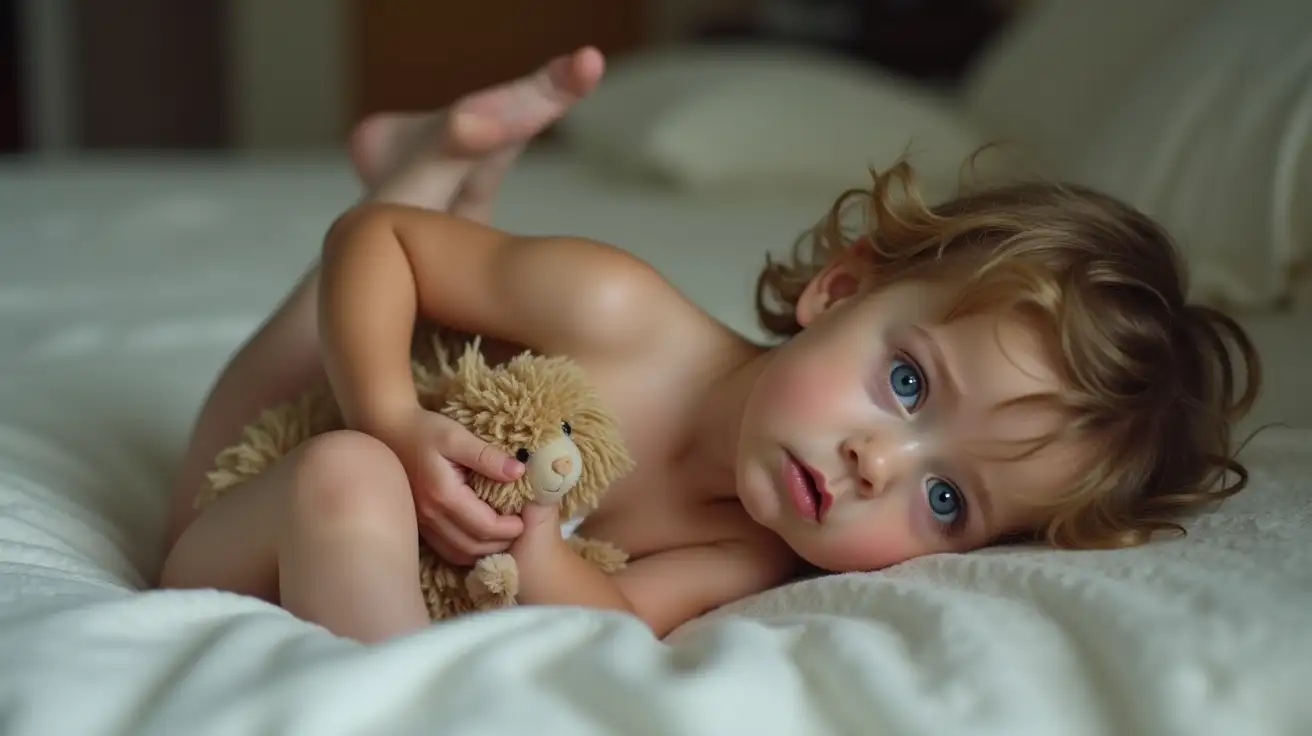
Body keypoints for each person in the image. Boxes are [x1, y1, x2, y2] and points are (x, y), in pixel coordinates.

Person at [158, 46, 1262, 644]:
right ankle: (432, 169)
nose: (881, 464)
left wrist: (541, 559)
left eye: (946, 502)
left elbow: (619, 617)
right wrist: (394, 421)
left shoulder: (754, 552)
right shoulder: (618, 311)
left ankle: (450, 177)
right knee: (351, 432)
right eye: (908, 381)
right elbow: (374, 247)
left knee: (422, 342)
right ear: (837, 289)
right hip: (243, 520)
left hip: (394, 556)